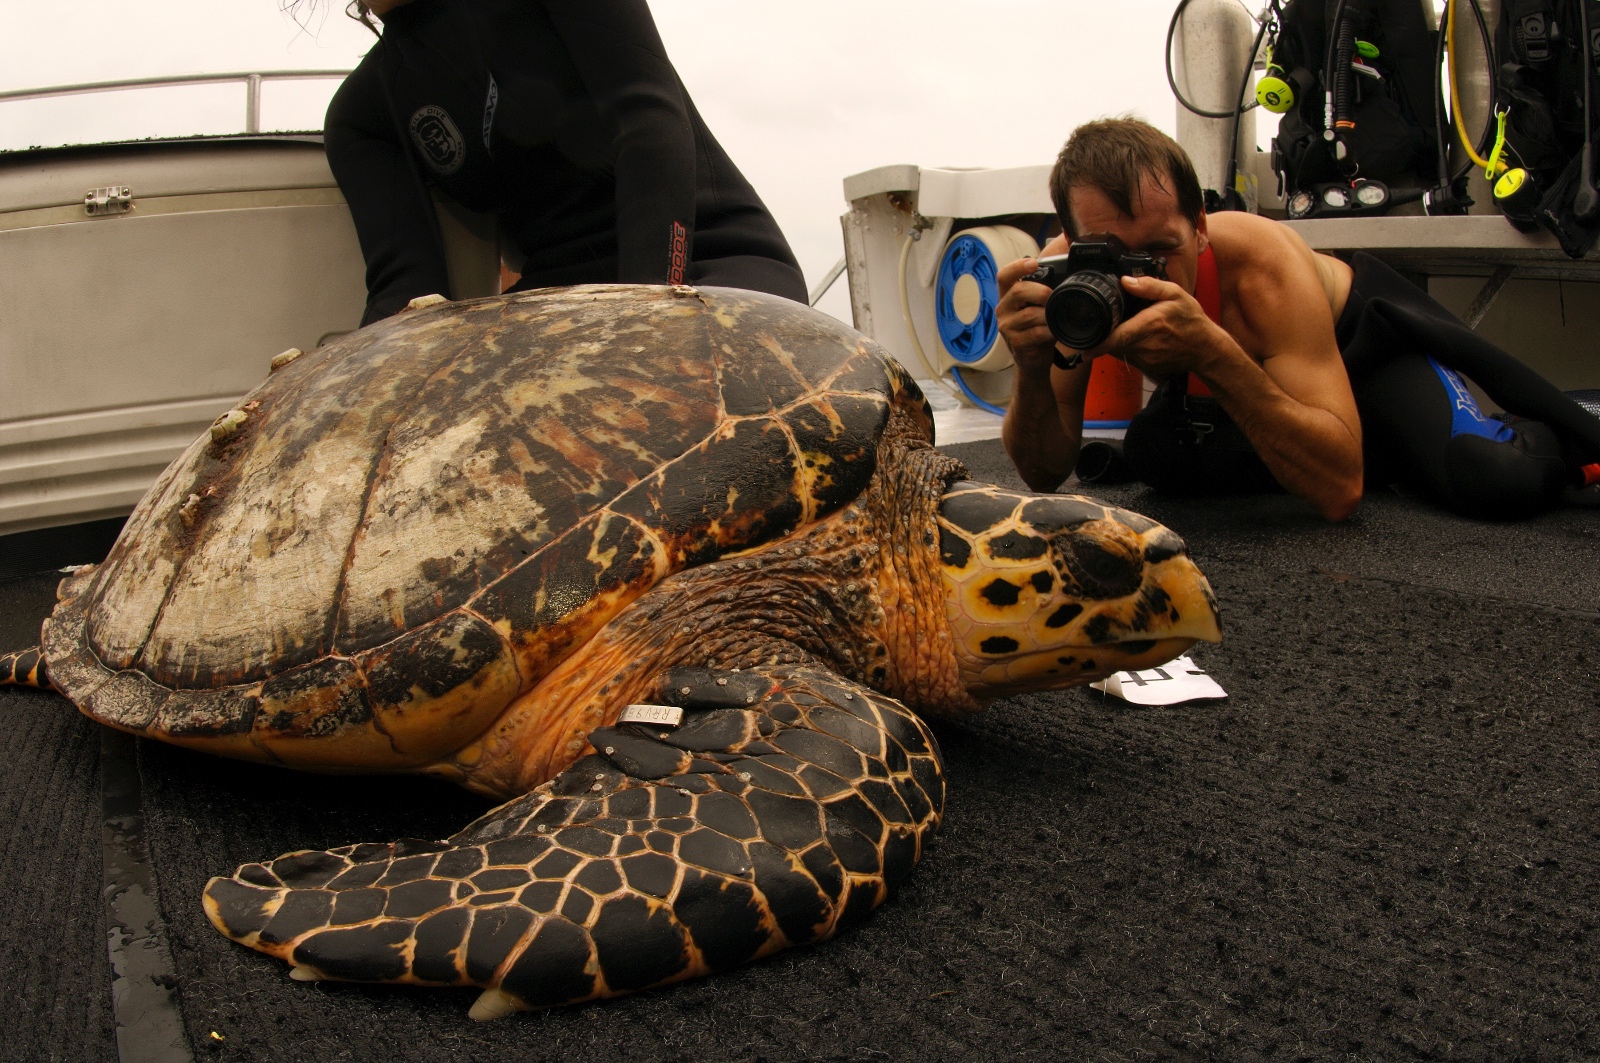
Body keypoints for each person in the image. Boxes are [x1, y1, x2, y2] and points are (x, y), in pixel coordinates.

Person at [999, 117, 1600, 521]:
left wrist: (1211, 352)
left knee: (1490, 474)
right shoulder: (1064, 287)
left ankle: (1573, 412)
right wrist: (1028, 369)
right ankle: (1378, 443)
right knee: (1164, 463)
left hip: (1359, 345)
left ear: (1202, 228)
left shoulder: (1264, 270)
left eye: (1160, 251)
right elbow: (1046, 473)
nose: (1139, 278)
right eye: (1111, 254)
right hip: (1244, 378)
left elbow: (1340, 492)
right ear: (1069, 241)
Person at [323, 0, 808, 326]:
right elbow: (405, 297)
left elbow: (650, 125)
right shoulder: (363, 115)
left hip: (710, 268)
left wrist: (640, 317)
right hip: (551, 304)